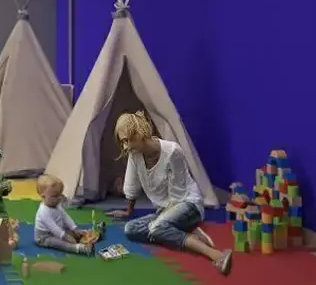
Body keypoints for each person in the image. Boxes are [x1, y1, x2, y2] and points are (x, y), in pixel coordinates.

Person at [107, 111, 233, 275]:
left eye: (128, 140)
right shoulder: (134, 155)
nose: (125, 147)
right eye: (123, 142)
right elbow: (131, 185)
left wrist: (161, 220)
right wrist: (128, 211)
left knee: (156, 228)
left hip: (187, 203)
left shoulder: (172, 151)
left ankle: (216, 255)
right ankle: (184, 232)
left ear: (140, 133)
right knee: (130, 229)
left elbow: (178, 194)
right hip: (164, 210)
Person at [34, 174, 96, 256]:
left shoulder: (56, 204)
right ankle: (80, 248)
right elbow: (53, 228)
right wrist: (65, 236)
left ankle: (83, 235)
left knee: (73, 233)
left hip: (59, 230)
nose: (59, 198)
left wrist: (75, 228)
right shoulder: (43, 211)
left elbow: (65, 217)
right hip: (45, 237)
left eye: (60, 194)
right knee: (60, 243)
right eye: (55, 196)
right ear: (43, 196)